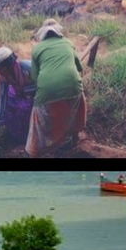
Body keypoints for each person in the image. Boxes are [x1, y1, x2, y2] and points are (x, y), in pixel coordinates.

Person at [27, 21, 87, 157]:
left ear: (42, 35)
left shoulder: (36, 50)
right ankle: (76, 134)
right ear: (58, 32)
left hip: (47, 92)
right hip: (73, 88)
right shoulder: (68, 43)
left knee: (38, 118)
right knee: (78, 100)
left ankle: (33, 152)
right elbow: (79, 68)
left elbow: (35, 79)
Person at [0, 46, 36, 144]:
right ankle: (10, 131)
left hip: (35, 96)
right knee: (5, 104)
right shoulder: (3, 78)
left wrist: (26, 91)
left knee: (23, 108)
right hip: (20, 94)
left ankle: (26, 136)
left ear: (8, 65)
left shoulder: (27, 68)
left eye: (0, 68)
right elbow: (2, 98)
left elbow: (41, 85)